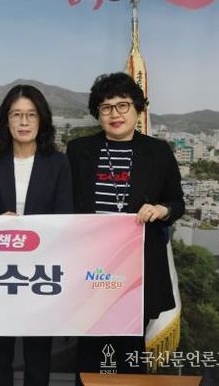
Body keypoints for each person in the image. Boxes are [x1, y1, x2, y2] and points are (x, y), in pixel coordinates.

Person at [66, 72, 185, 379]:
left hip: (139, 272)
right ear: (98, 113)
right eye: (106, 107)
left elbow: (177, 202)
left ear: (138, 109)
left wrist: (161, 209)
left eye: (123, 105)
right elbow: (65, 203)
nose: (115, 114)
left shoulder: (158, 152)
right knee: (90, 352)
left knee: (129, 354)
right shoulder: (78, 150)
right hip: (92, 270)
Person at [0, 84, 72, 386]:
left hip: (41, 271)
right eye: (16, 115)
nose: (24, 122)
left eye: (31, 115)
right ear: (6, 120)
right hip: (1, 271)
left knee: (38, 355)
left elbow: (65, 216)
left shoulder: (58, 163)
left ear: (42, 120)